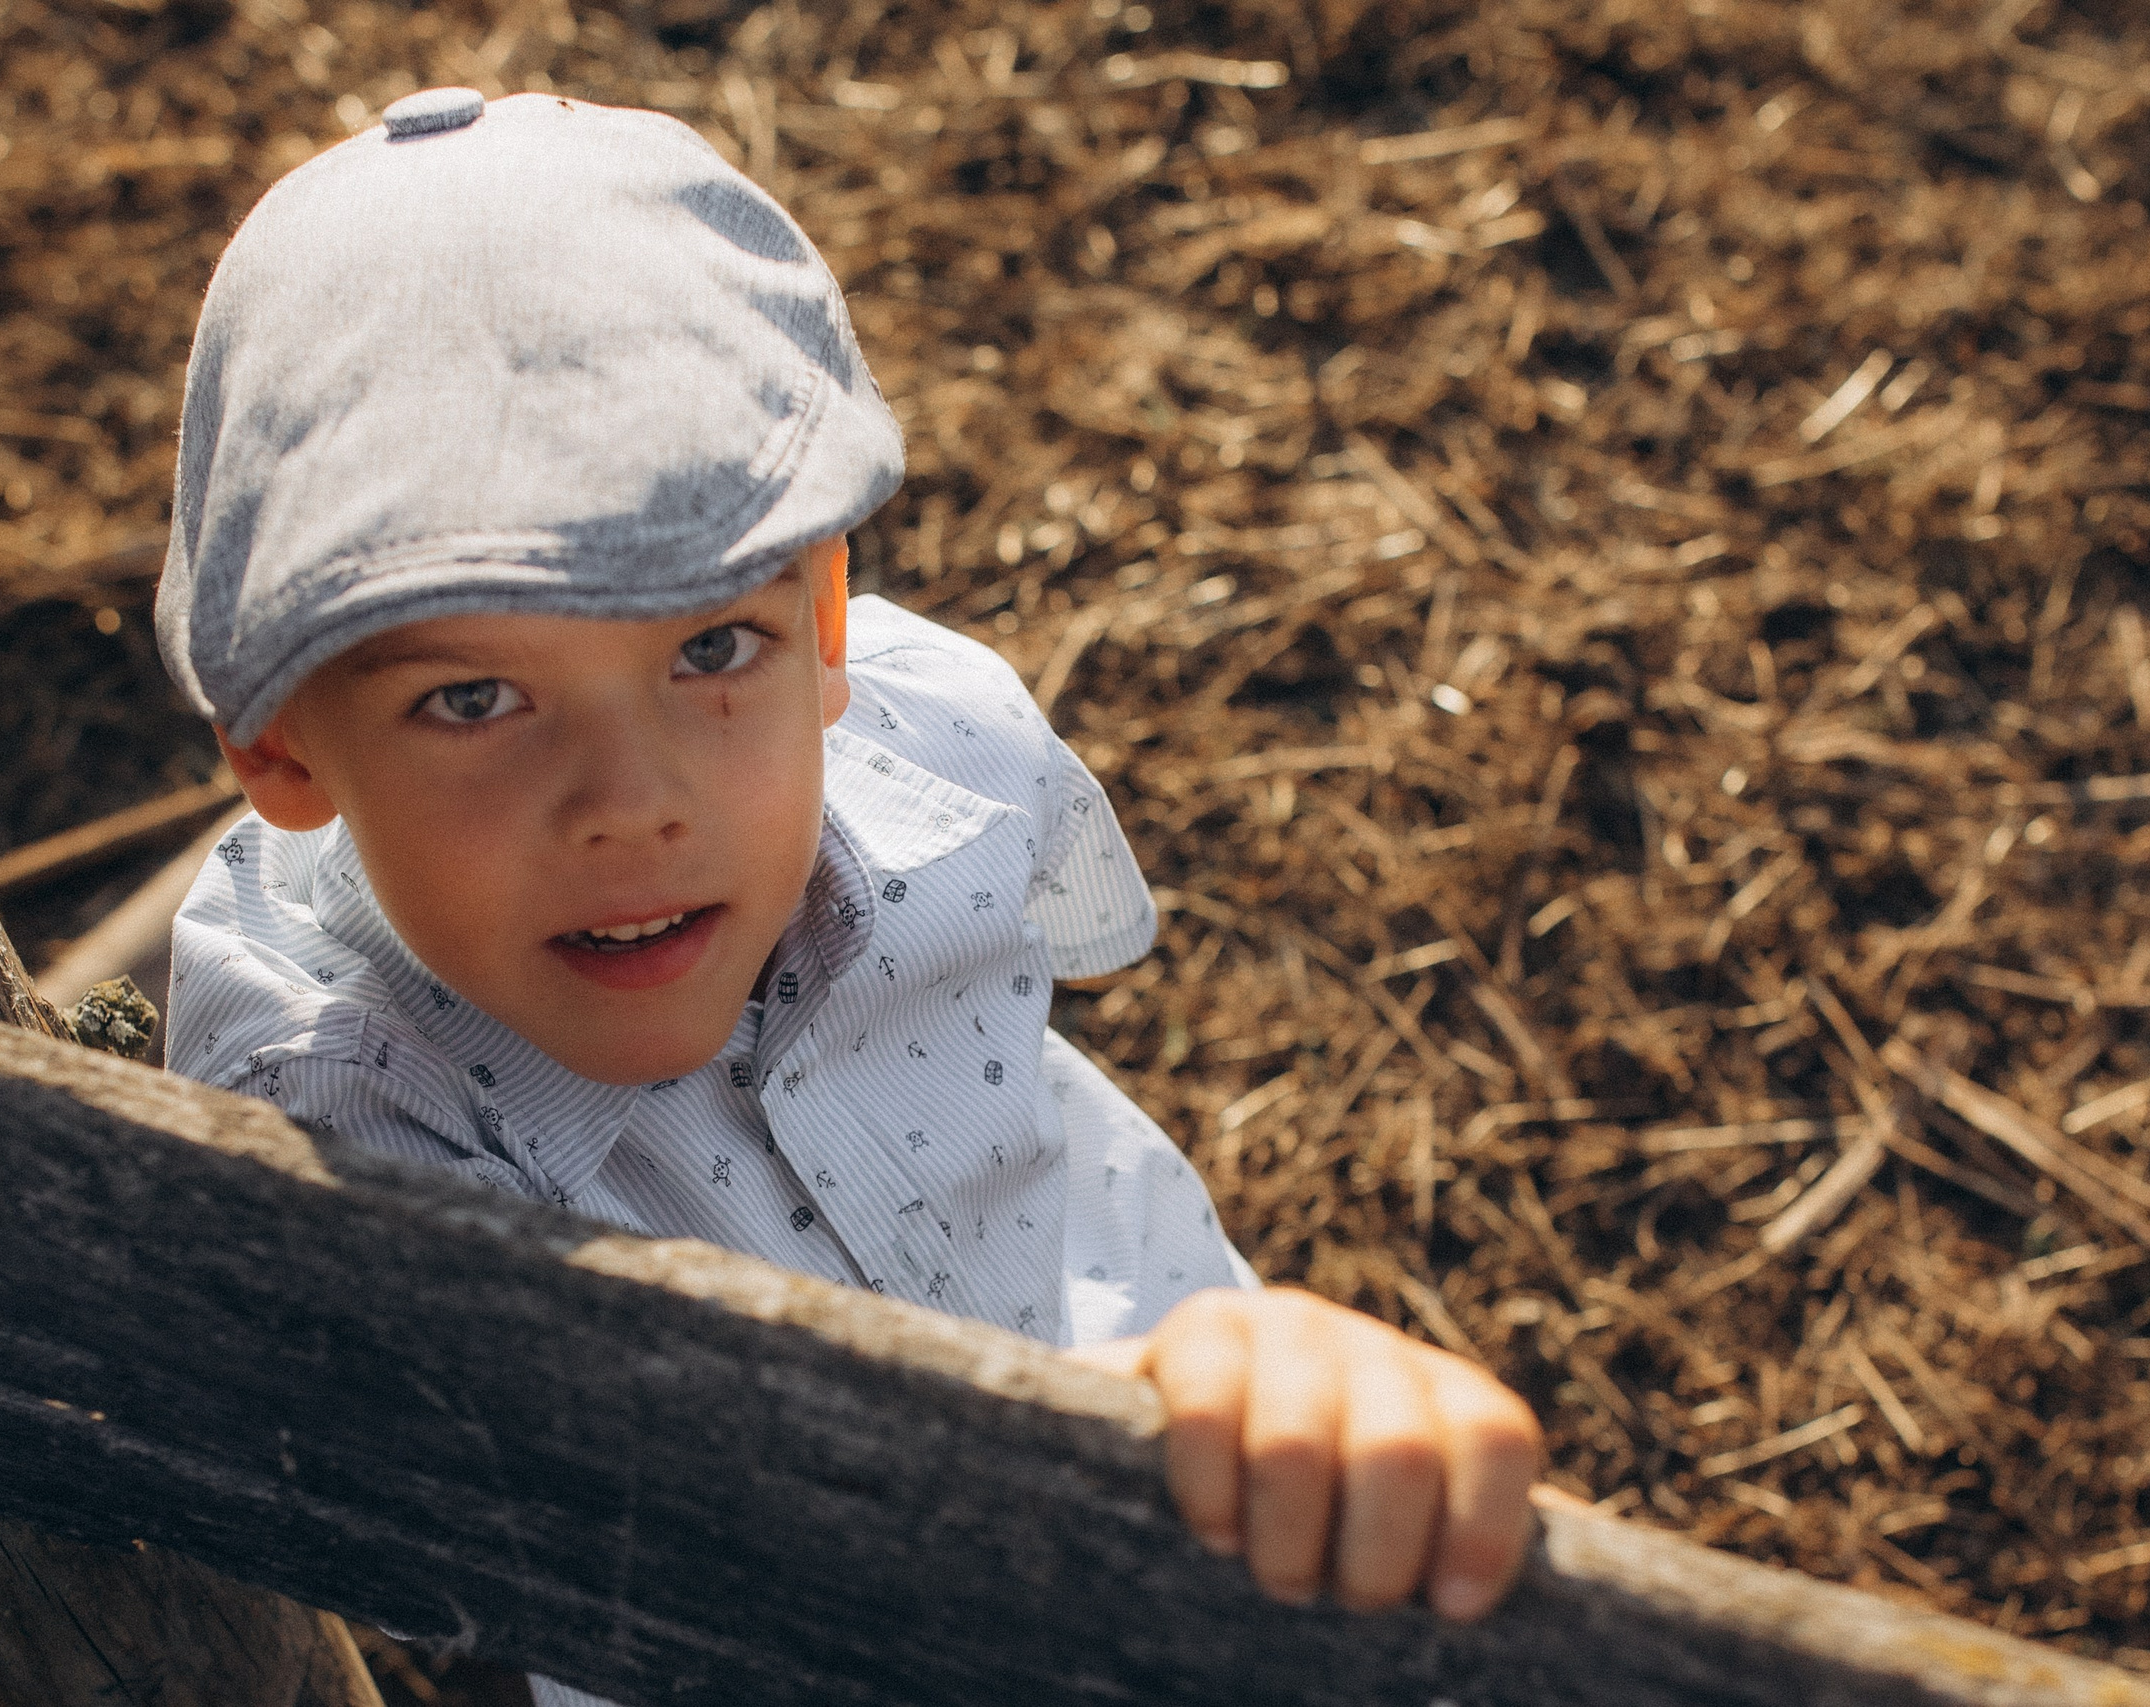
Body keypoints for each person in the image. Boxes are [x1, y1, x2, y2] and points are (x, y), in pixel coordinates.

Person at [155, 85, 1541, 1705]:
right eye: (472, 699)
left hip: (1169, 1390)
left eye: (710, 649)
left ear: (823, 626)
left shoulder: (924, 749)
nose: (634, 806)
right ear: (280, 752)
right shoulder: (324, 1113)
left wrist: (1237, 1369)